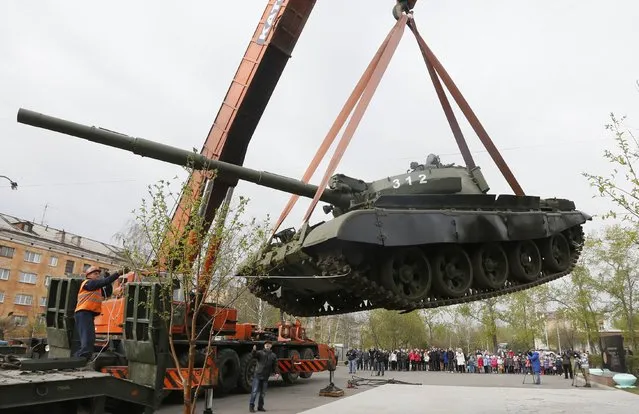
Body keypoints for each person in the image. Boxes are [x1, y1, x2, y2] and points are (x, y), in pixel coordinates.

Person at [74, 266, 126, 361]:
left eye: (98, 274)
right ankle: (80, 359)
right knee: (88, 338)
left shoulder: (95, 288)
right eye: (95, 274)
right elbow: (103, 282)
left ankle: (80, 358)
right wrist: (117, 274)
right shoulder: (88, 283)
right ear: (88, 275)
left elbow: (108, 292)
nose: (98, 275)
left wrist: (108, 279)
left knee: (90, 338)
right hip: (83, 313)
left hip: (87, 314)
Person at [249, 341, 278, 413]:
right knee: (254, 392)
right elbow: (253, 355)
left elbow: (275, 365)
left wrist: (277, 373)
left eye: (269, 344)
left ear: (271, 346)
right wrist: (254, 350)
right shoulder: (260, 353)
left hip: (265, 376)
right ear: (264, 346)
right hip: (258, 375)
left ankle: (260, 407)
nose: (267, 345)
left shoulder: (273, 355)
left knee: (263, 393)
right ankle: (251, 406)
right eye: (266, 344)